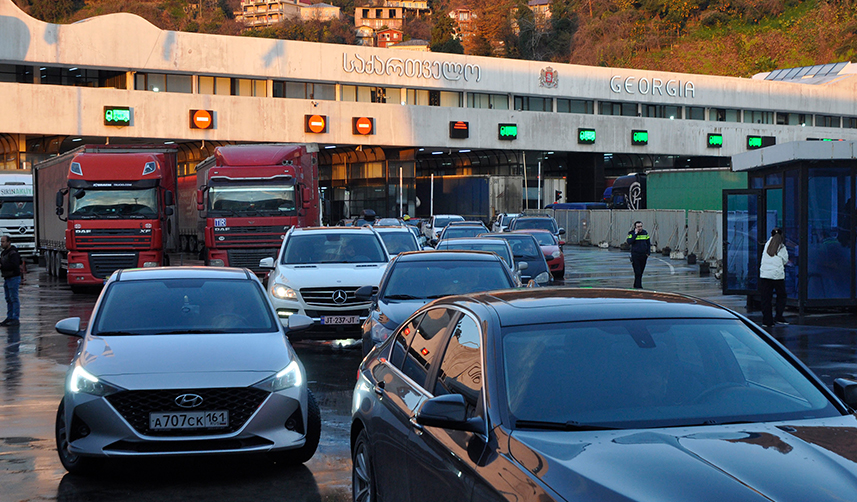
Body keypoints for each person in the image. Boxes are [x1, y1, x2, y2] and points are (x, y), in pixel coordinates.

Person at [759, 227, 789, 327]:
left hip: (765, 275)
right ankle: (779, 316)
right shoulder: (782, 247)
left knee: (766, 298)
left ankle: (767, 321)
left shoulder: (767, 245)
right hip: (777, 276)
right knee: (782, 296)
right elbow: (785, 260)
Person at [0, 235, 21, 326]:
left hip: (13, 277)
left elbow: (15, 265)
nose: (1, 243)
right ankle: (9, 317)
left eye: (3, 241)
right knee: (8, 298)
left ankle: (15, 318)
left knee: (14, 298)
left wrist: (2, 267)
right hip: (7, 278)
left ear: (9, 242)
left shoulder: (13, 253)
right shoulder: (4, 253)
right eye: (1, 241)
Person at [626, 221, 651, 289]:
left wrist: (648, 252)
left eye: (641, 226)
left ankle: (637, 285)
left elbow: (648, 243)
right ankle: (638, 286)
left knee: (641, 271)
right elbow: (629, 242)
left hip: (643, 255)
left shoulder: (645, 233)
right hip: (635, 255)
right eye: (638, 227)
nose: (640, 228)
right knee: (637, 271)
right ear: (635, 227)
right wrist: (635, 234)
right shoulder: (631, 233)